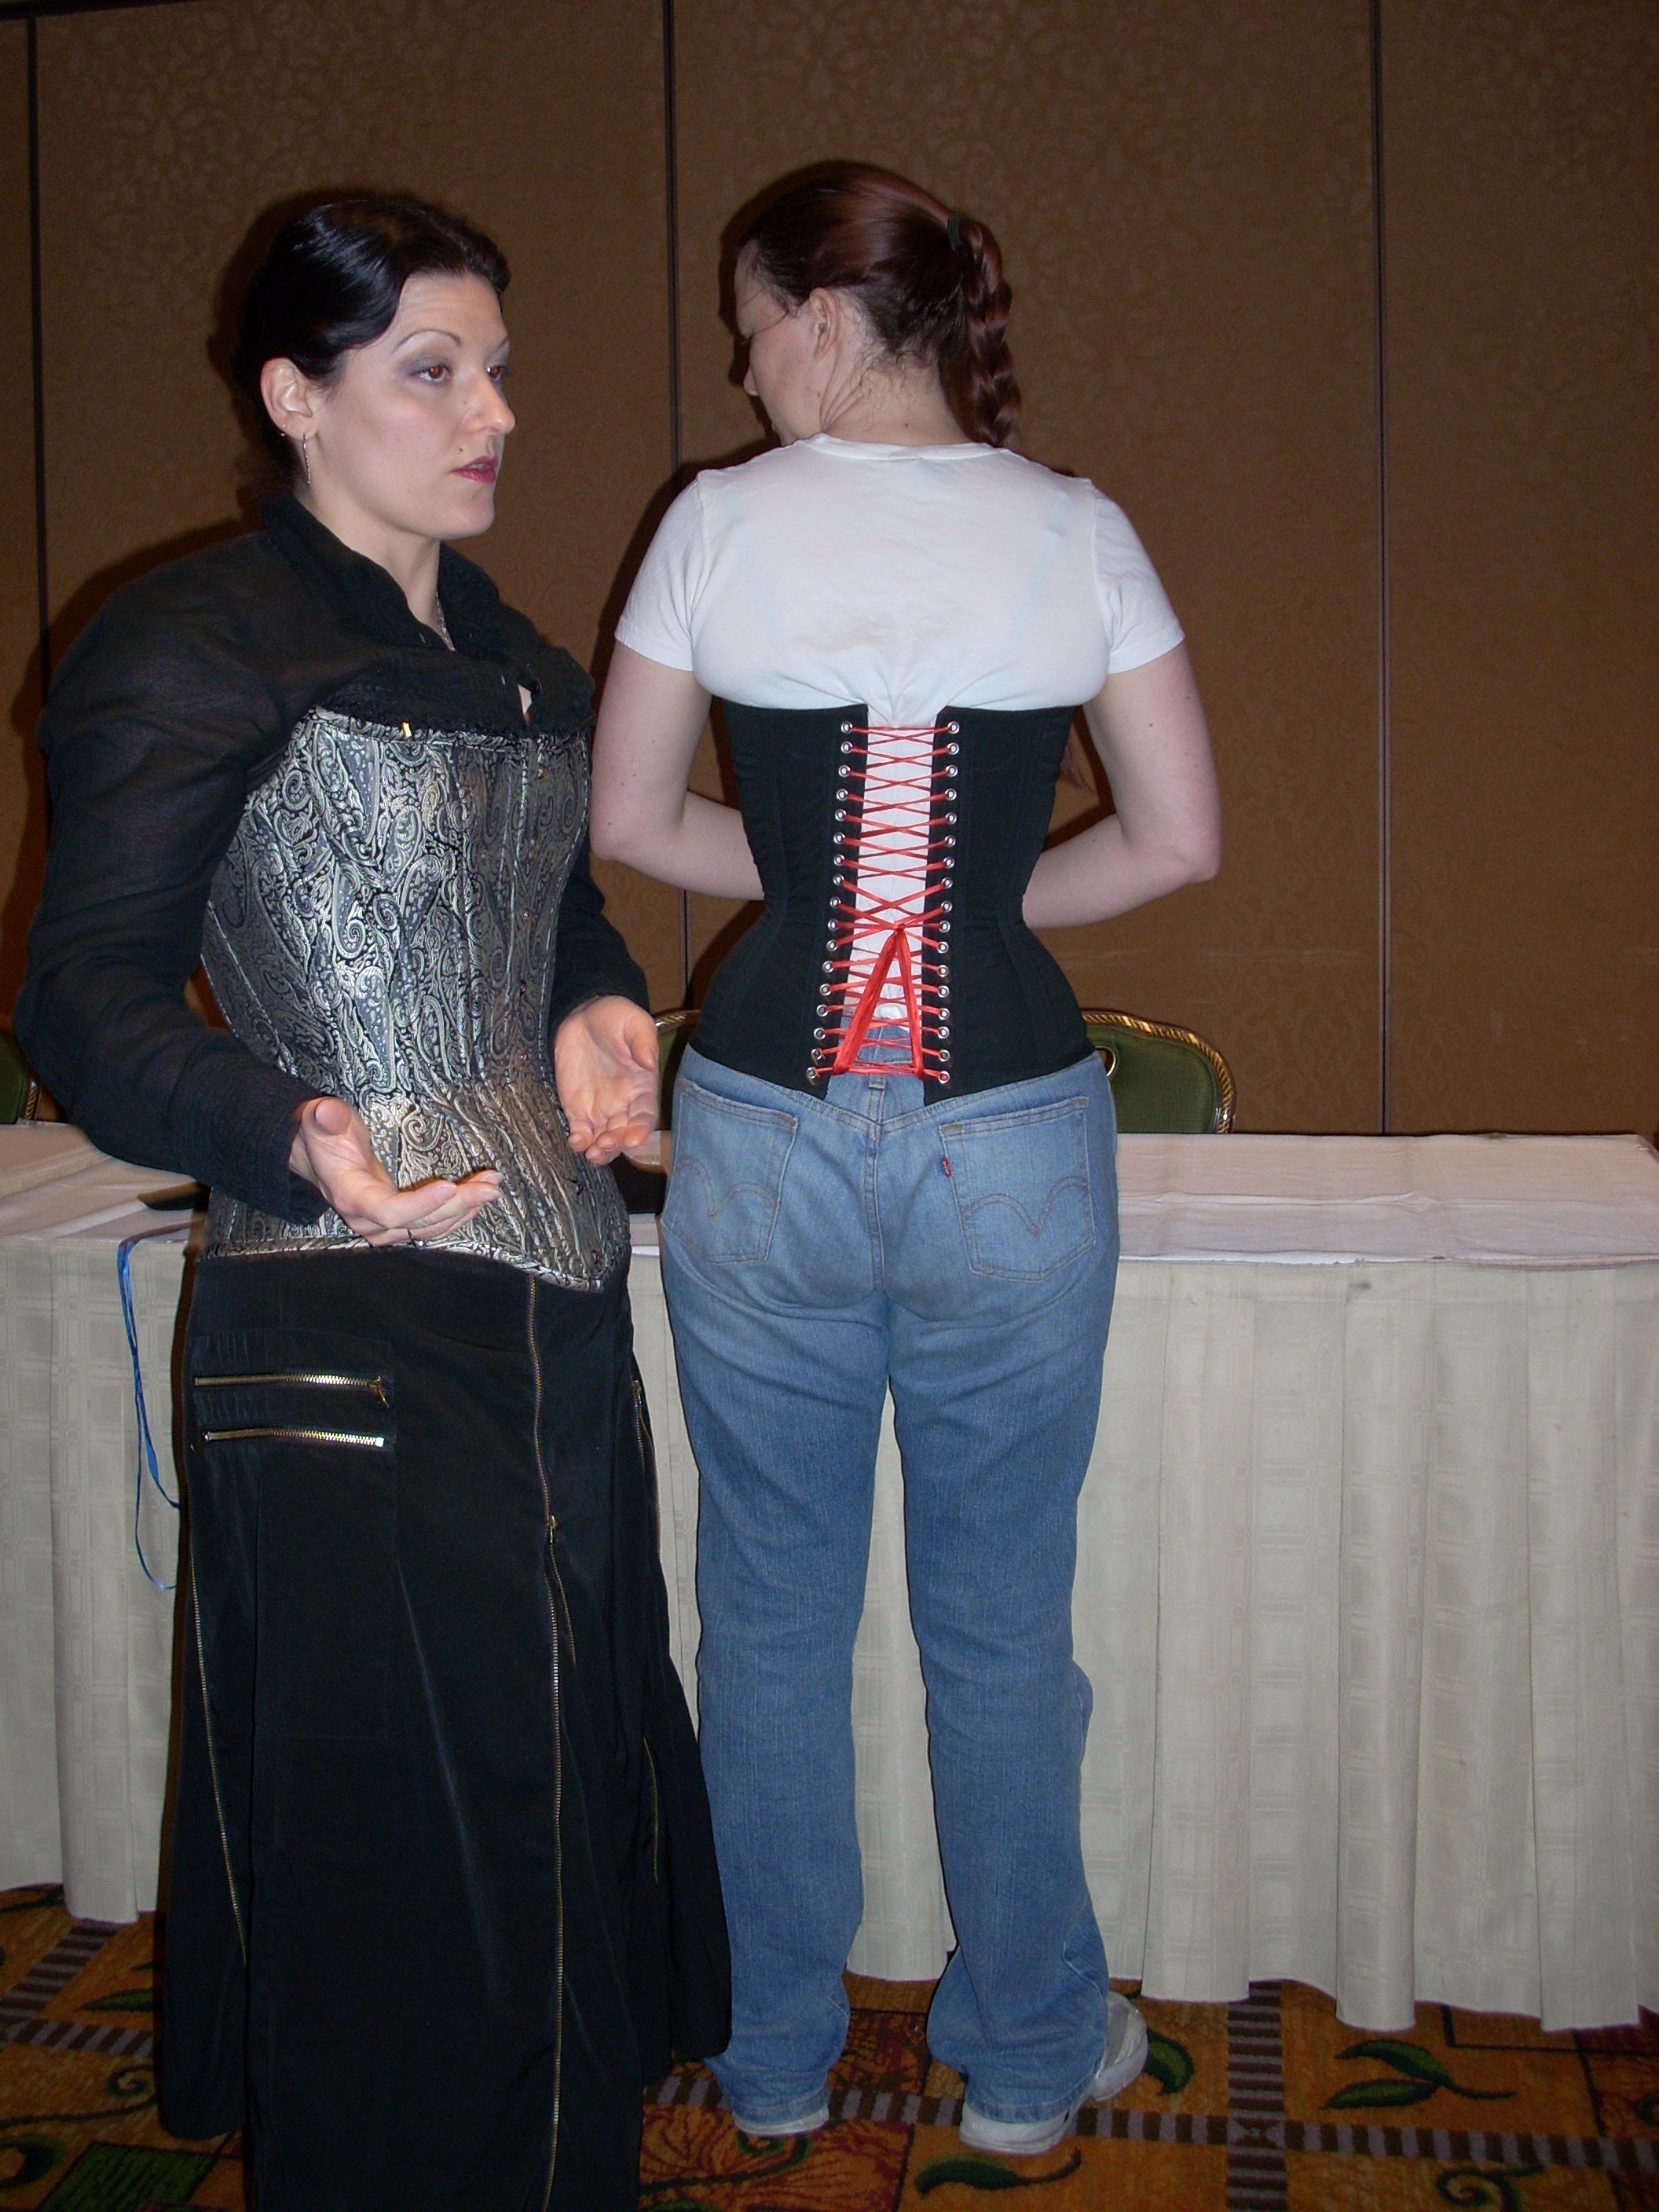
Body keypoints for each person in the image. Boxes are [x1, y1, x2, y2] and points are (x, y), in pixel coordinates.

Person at [15, 195, 729, 2210]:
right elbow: (79, 988)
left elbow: (557, 905)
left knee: (559, 1789)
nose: (492, 412)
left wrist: (595, 1003)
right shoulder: (191, 639)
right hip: (346, 1308)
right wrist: (285, 1129)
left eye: (495, 368)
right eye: (432, 370)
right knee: (411, 1853)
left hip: (554, 1296)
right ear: (294, 395)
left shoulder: (502, 651)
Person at [589, 163, 1220, 2158]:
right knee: (1001, 1621)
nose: (743, 367)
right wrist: (986, 903)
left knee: (771, 1615)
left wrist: (814, 897)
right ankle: (1028, 2059)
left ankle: (774, 2053)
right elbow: (1182, 840)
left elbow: (634, 820)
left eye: (752, 325)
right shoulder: (1079, 527)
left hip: (765, 1127)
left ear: (828, 321)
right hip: (1008, 1131)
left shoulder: (717, 525)